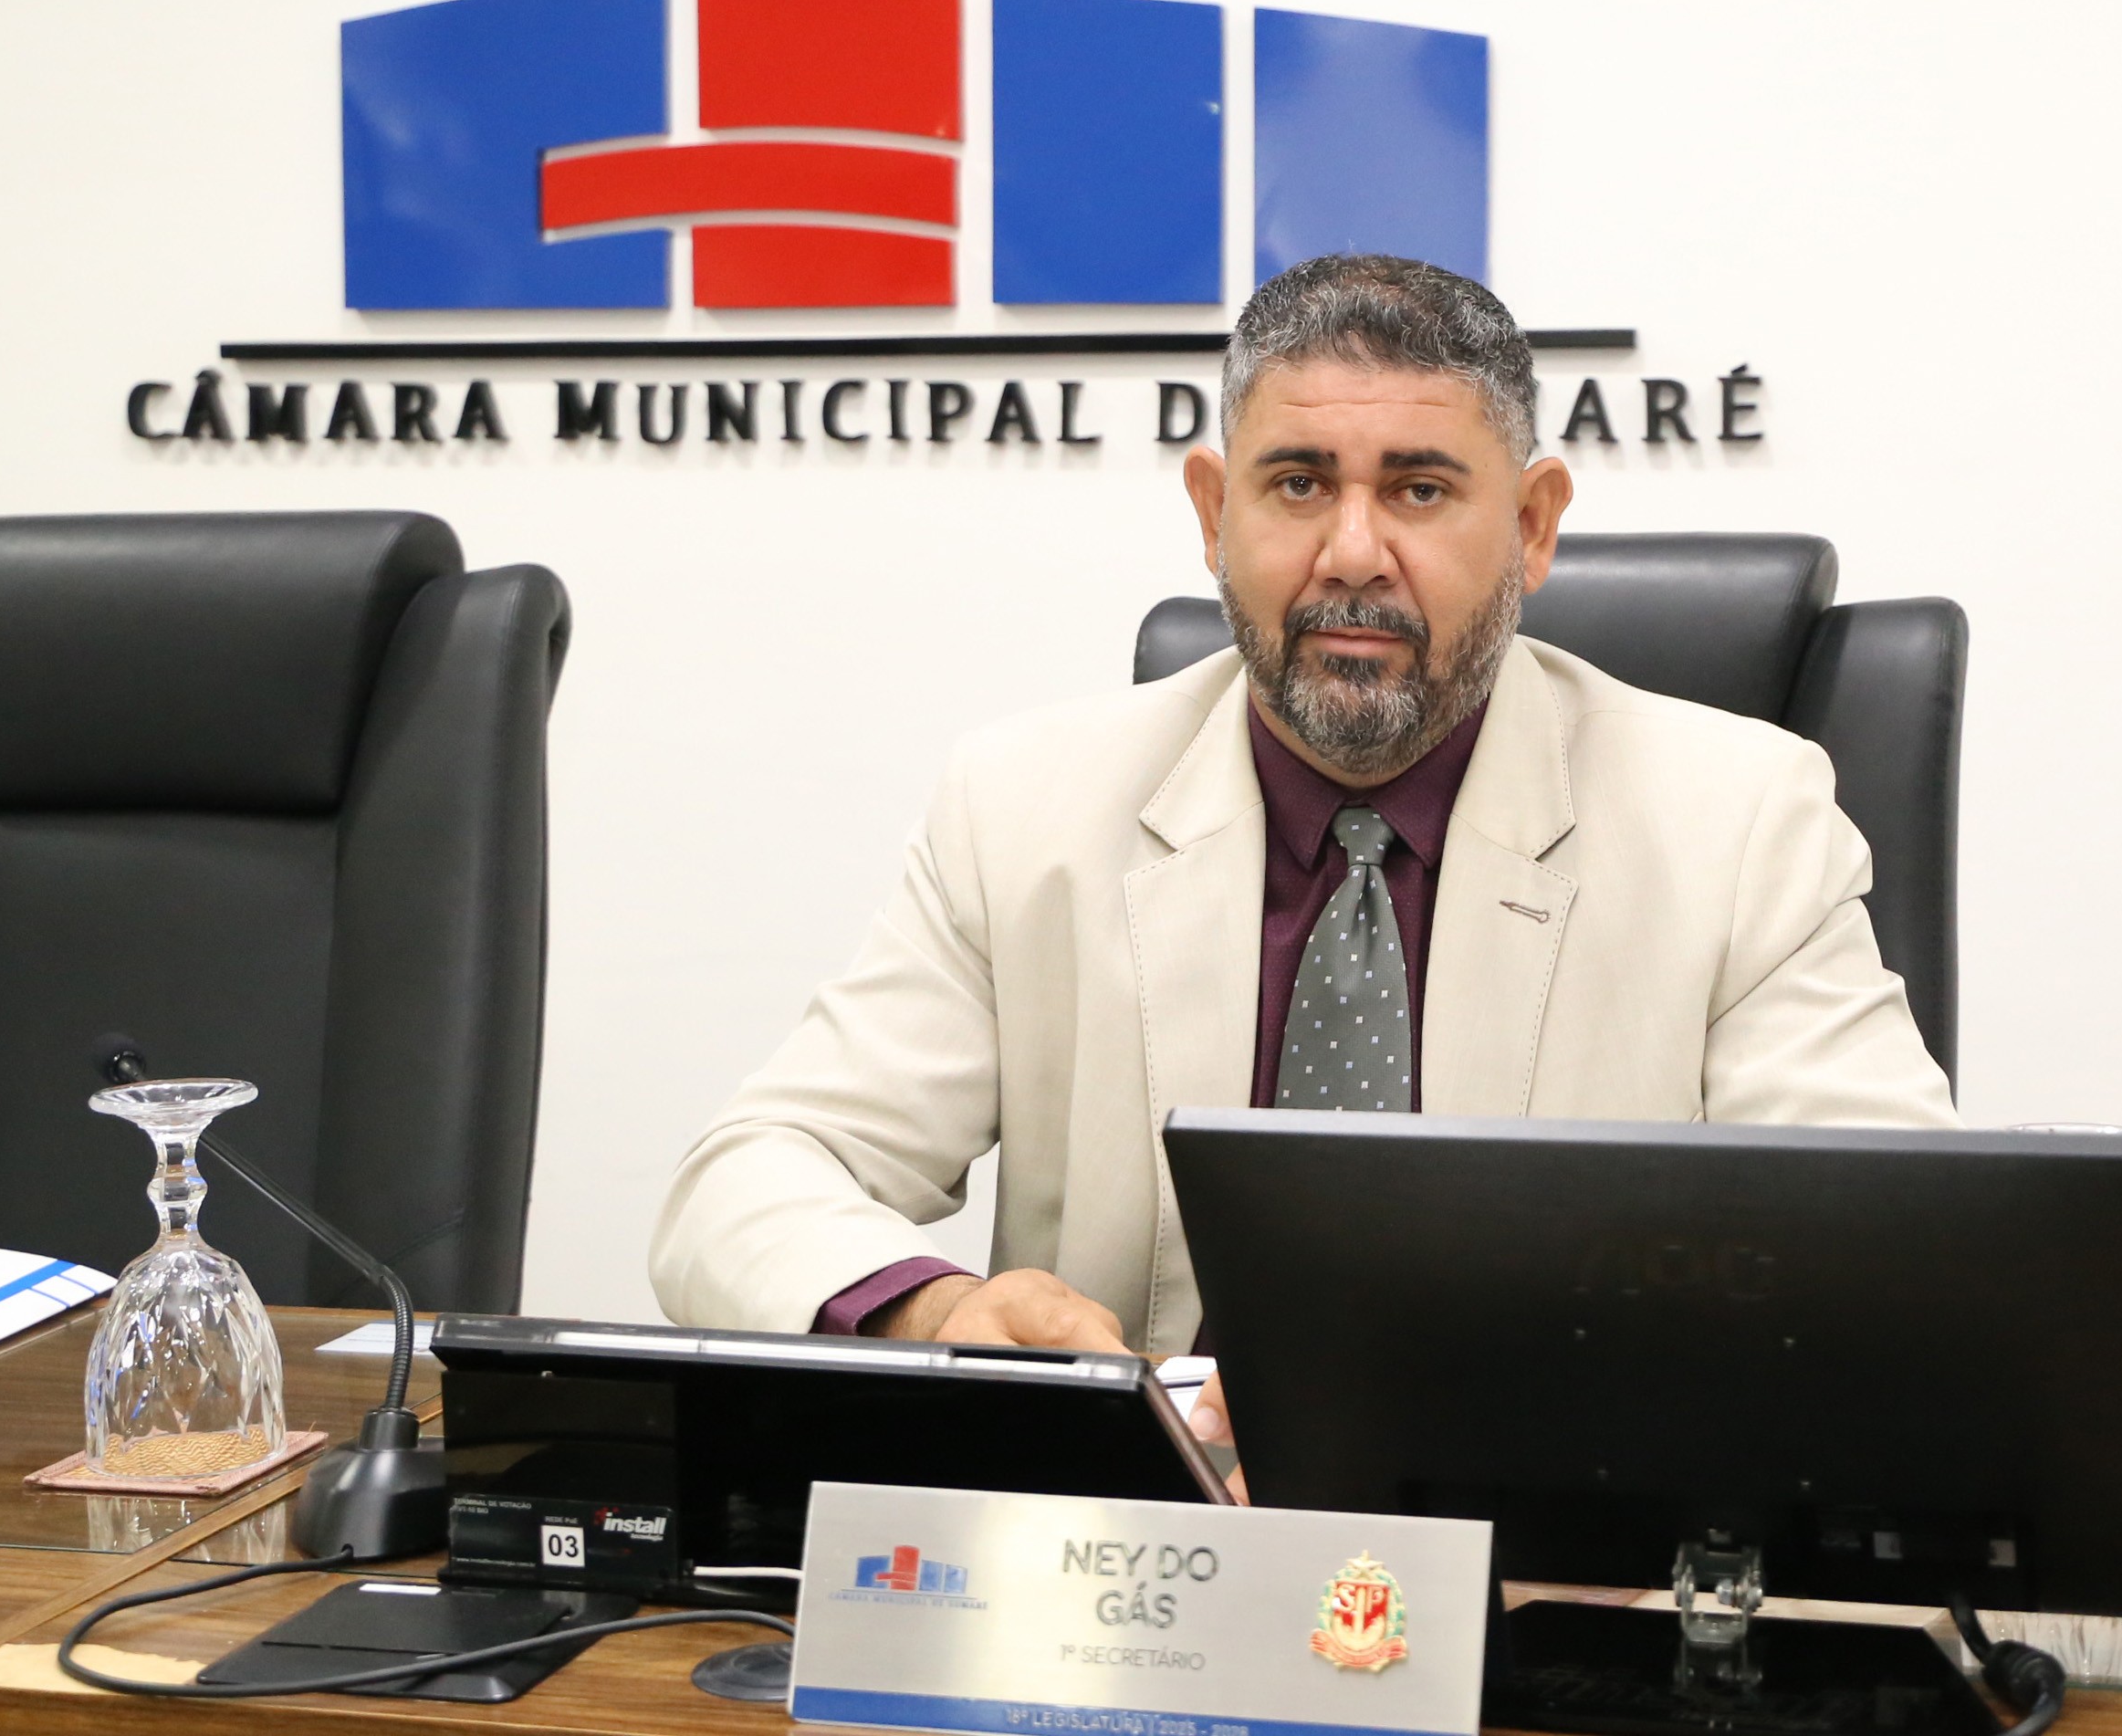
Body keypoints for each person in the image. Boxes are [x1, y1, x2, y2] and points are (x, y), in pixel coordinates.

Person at [650, 255, 1959, 1426]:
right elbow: (747, 1181)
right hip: (1130, 1554)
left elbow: (1890, 1252)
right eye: (1297, 484)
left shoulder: (1739, 823)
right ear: (1212, 512)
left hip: (1556, 1549)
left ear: (1531, 525)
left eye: (1420, 489)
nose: (1352, 552)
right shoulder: (1023, 806)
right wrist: (932, 1311)